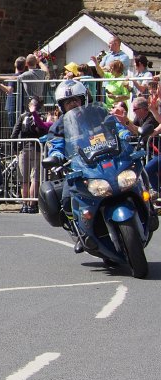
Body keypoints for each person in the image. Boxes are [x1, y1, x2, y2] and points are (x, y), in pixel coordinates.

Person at [45, 78, 130, 253]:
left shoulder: (98, 113)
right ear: (62, 106)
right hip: (80, 169)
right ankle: (78, 232)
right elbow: (56, 144)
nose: (73, 104)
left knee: (131, 175)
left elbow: (114, 126)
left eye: (76, 99)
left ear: (84, 99)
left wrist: (124, 134)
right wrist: (57, 155)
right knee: (67, 200)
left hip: (107, 159)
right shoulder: (59, 126)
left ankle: (147, 207)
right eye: (68, 102)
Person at [11, 95, 49, 213]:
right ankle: (32, 204)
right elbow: (43, 131)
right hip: (37, 148)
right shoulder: (41, 117)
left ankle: (25, 205)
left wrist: (15, 150)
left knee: (24, 179)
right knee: (35, 178)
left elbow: (14, 134)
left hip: (23, 148)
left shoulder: (22, 116)